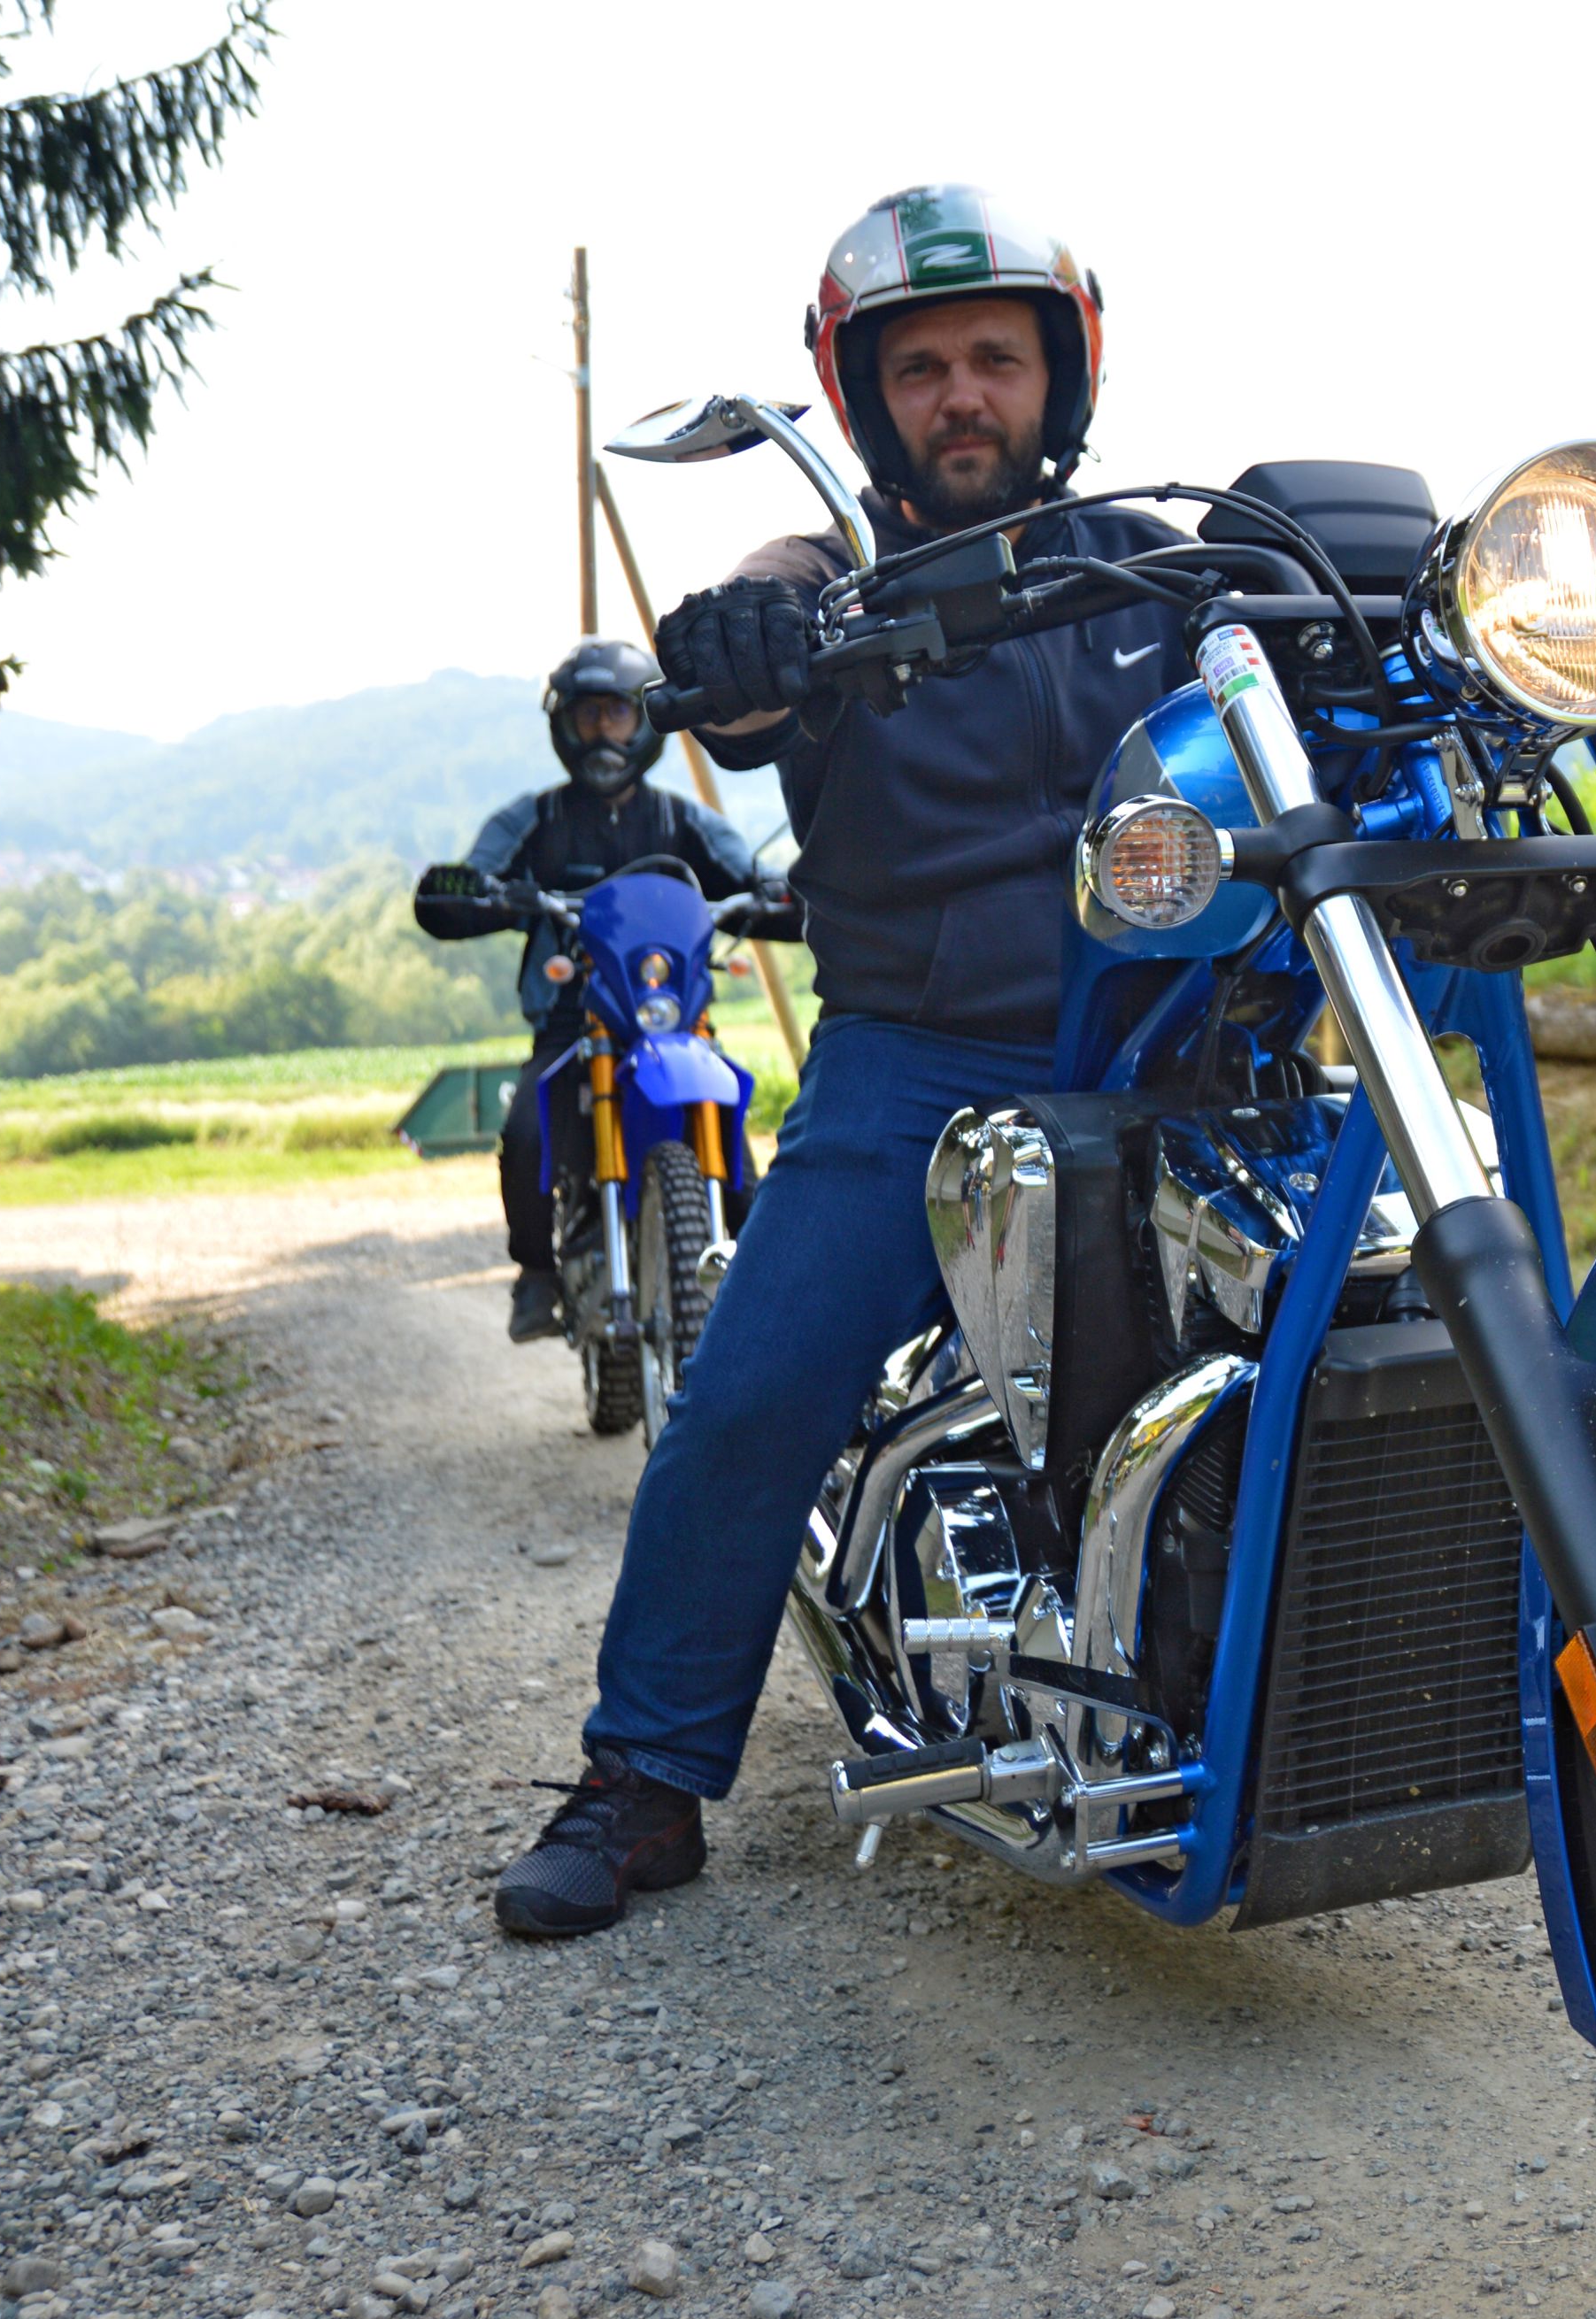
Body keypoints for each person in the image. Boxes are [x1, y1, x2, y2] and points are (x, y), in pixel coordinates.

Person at [492, 185, 1196, 1936]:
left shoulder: (1156, 567)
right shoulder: (829, 577)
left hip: (1175, 1044)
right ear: (869, 398)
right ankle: (644, 1777)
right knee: (749, 1393)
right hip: (920, 1064)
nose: (965, 395)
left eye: (998, 361)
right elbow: (740, 665)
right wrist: (732, 647)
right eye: (927, 367)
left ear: (1063, 378)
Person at [419, 640, 767, 1345]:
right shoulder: (535, 819)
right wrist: (477, 891)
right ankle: (537, 1273)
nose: (603, 732)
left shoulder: (682, 820)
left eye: (616, 714)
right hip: (571, 1023)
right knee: (523, 1136)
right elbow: (468, 879)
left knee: (741, 1159)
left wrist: (779, 892)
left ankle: (765, 1282)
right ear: (564, 726)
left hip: (670, 1021)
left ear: (642, 723)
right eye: (588, 717)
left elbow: (749, 874)